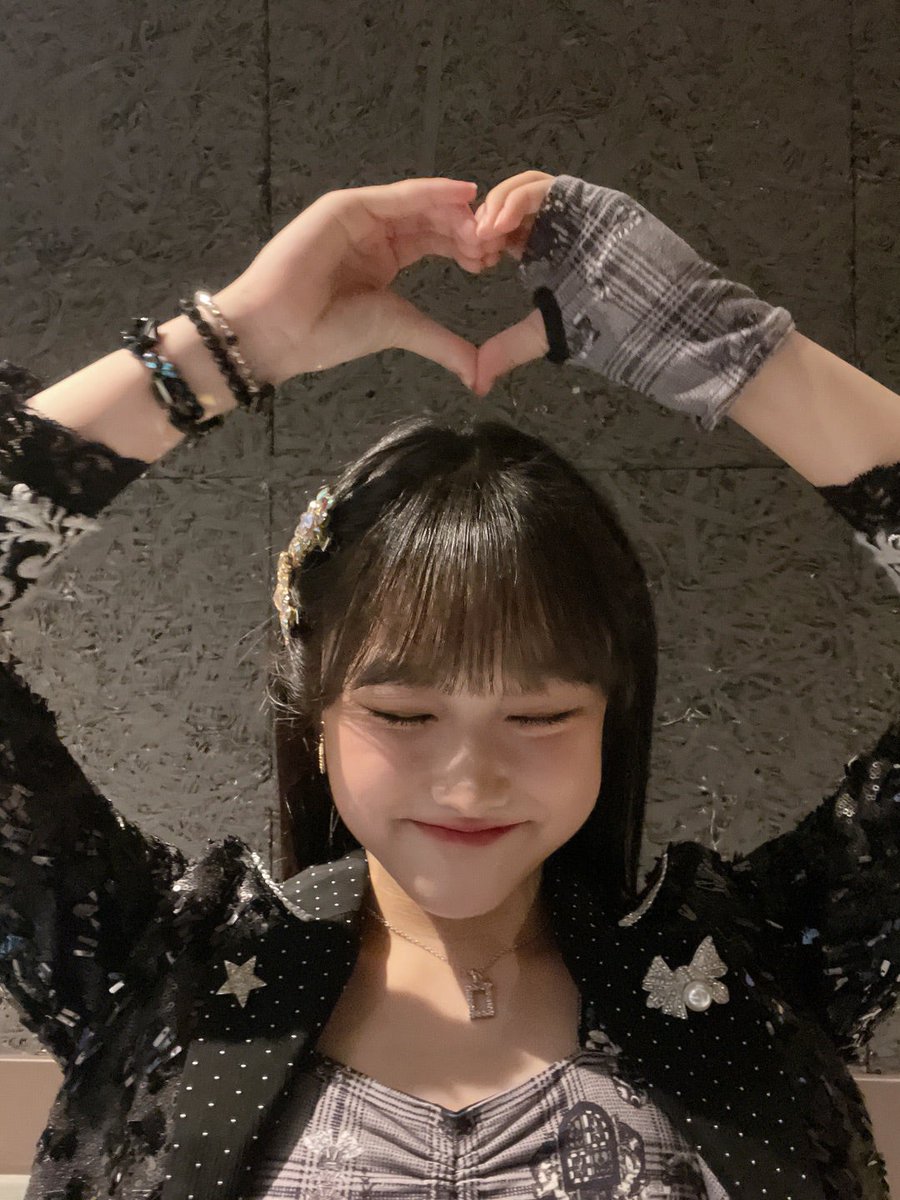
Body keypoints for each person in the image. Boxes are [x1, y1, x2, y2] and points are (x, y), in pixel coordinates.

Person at [0, 169, 898, 1200]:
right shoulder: (169, 972)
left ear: (611, 716)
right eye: (404, 713)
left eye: (539, 715)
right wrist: (226, 346)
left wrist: (729, 349)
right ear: (316, 712)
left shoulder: (756, 972)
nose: (470, 781)